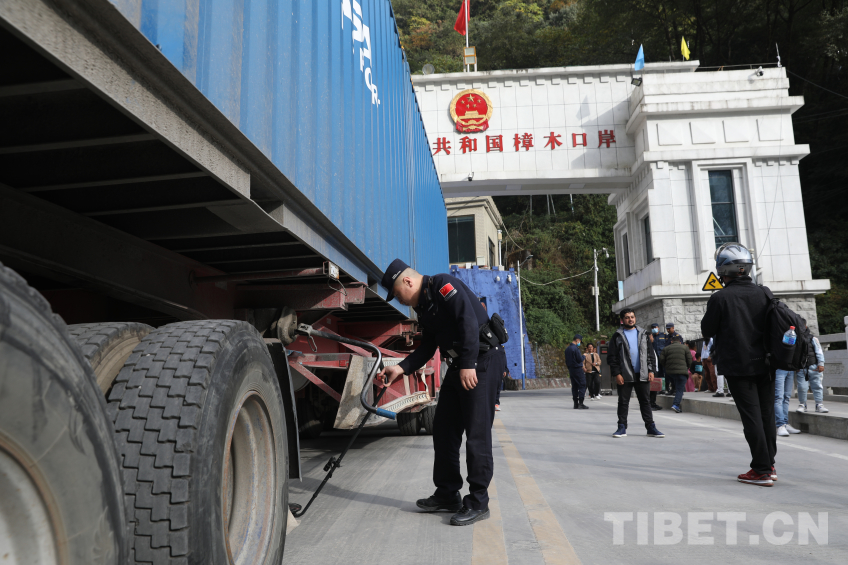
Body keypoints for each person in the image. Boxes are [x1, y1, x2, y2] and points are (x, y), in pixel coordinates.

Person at [377, 258, 506, 525]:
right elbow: (428, 346)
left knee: (477, 434)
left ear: (408, 281)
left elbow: (468, 321)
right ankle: (447, 494)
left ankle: (478, 502)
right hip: (461, 365)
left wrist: (468, 363)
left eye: (397, 294)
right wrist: (400, 368)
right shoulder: (424, 307)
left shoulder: (443, 286)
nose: (399, 300)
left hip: (481, 361)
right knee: (444, 429)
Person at [701, 243, 776, 487]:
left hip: (738, 366)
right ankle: (769, 464)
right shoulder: (764, 293)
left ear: (724, 271)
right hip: (766, 364)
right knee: (766, 415)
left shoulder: (720, 297)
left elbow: (707, 330)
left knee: (751, 417)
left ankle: (761, 470)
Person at [607, 309, 664, 438]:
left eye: (632, 317)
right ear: (622, 320)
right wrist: (617, 373)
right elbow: (612, 357)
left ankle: (651, 427)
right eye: (627, 317)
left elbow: (650, 354)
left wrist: (651, 370)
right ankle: (622, 427)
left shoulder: (643, 334)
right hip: (625, 374)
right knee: (623, 402)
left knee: (645, 401)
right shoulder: (617, 336)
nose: (630, 319)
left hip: (642, 374)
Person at [796, 321, 828, 414]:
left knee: (817, 386)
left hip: (814, 366)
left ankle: (819, 404)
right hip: (801, 368)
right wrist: (795, 365)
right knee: (802, 387)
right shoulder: (795, 339)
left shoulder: (813, 338)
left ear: (806, 326)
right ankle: (802, 404)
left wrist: (821, 364)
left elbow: (819, 351)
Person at [659, 335, 693, 413]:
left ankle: (673, 394)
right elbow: (689, 359)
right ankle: (676, 405)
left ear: (671, 342)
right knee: (680, 389)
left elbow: (661, 360)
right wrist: (687, 367)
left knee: (676, 385)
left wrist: (667, 367)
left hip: (670, 372)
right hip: (682, 372)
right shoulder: (685, 348)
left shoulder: (666, 348)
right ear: (680, 342)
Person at [565, 335, 588, 409]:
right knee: (582, 384)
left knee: (574, 386)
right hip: (577, 368)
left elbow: (567, 360)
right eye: (580, 341)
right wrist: (584, 356)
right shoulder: (575, 349)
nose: (580, 343)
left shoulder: (567, 349)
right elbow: (579, 359)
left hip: (571, 369)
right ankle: (581, 403)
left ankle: (575, 403)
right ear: (577, 340)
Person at [648, 324, 664, 410]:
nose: (653, 338)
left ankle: (653, 403)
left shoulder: (651, 346)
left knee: (654, 388)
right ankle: (651, 404)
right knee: (651, 388)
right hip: (651, 371)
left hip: (655, 369)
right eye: (651, 336)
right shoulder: (647, 347)